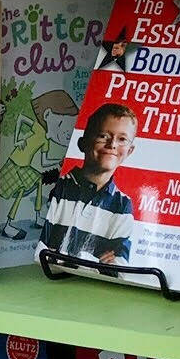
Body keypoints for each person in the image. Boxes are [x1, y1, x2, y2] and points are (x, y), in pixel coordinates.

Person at [37, 101, 137, 267]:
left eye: (122, 139)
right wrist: (95, 261)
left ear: (130, 151)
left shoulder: (122, 205)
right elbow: (40, 249)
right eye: (103, 136)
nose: (112, 144)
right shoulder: (60, 186)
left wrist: (62, 255)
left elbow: (118, 266)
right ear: (83, 143)